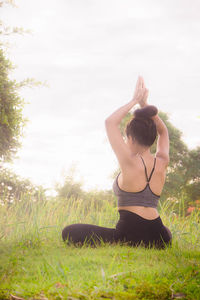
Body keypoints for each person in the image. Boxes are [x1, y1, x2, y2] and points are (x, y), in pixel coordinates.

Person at [62, 76, 172, 249]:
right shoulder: (162, 161)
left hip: (130, 235)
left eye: (126, 138)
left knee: (69, 232)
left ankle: (126, 240)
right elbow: (164, 132)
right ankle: (157, 238)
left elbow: (110, 122)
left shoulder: (129, 160)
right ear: (152, 139)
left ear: (130, 137)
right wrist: (146, 105)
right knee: (165, 231)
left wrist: (135, 100)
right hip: (160, 237)